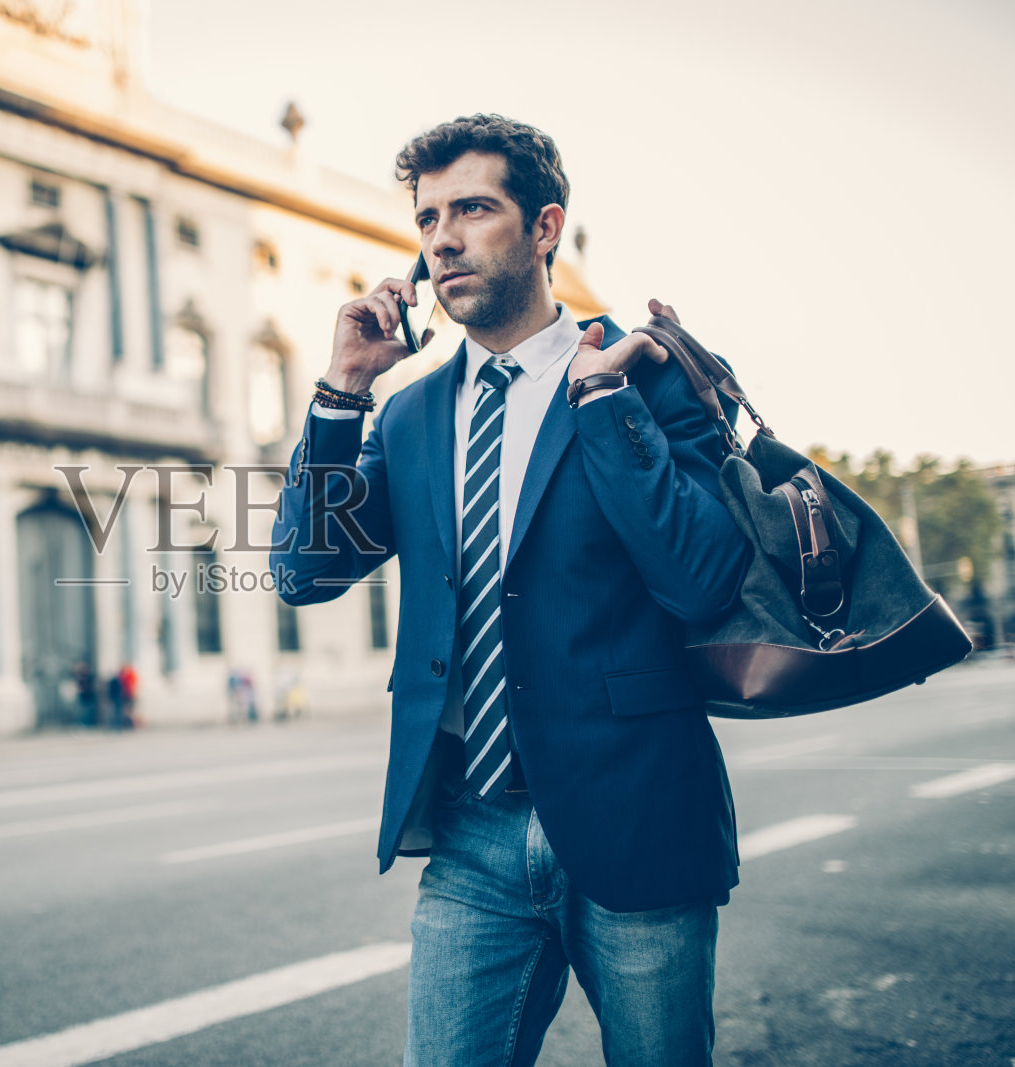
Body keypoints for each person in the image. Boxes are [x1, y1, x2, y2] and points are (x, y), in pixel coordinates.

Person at [270, 114, 751, 1066]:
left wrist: (607, 406)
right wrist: (339, 393)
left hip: (636, 818)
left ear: (544, 228)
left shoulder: (649, 372)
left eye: (475, 209)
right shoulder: (407, 416)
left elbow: (702, 581)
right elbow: (304, 570)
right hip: (471, 834)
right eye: (427, 218)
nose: (442, 237)